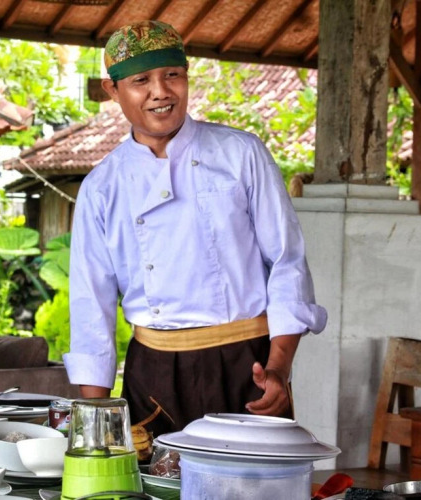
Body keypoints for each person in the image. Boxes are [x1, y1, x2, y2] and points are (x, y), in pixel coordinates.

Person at [62, 20, 327, 436]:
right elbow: (91, 303)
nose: (160, 91)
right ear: (112, 89)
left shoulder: (241, 154)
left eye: (172, 75)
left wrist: (278, 367)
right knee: (155, 477)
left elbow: (287, 262)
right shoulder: (102, 186)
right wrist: (96, 419)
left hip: (247, 365)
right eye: (141, 80)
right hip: (153, 374)